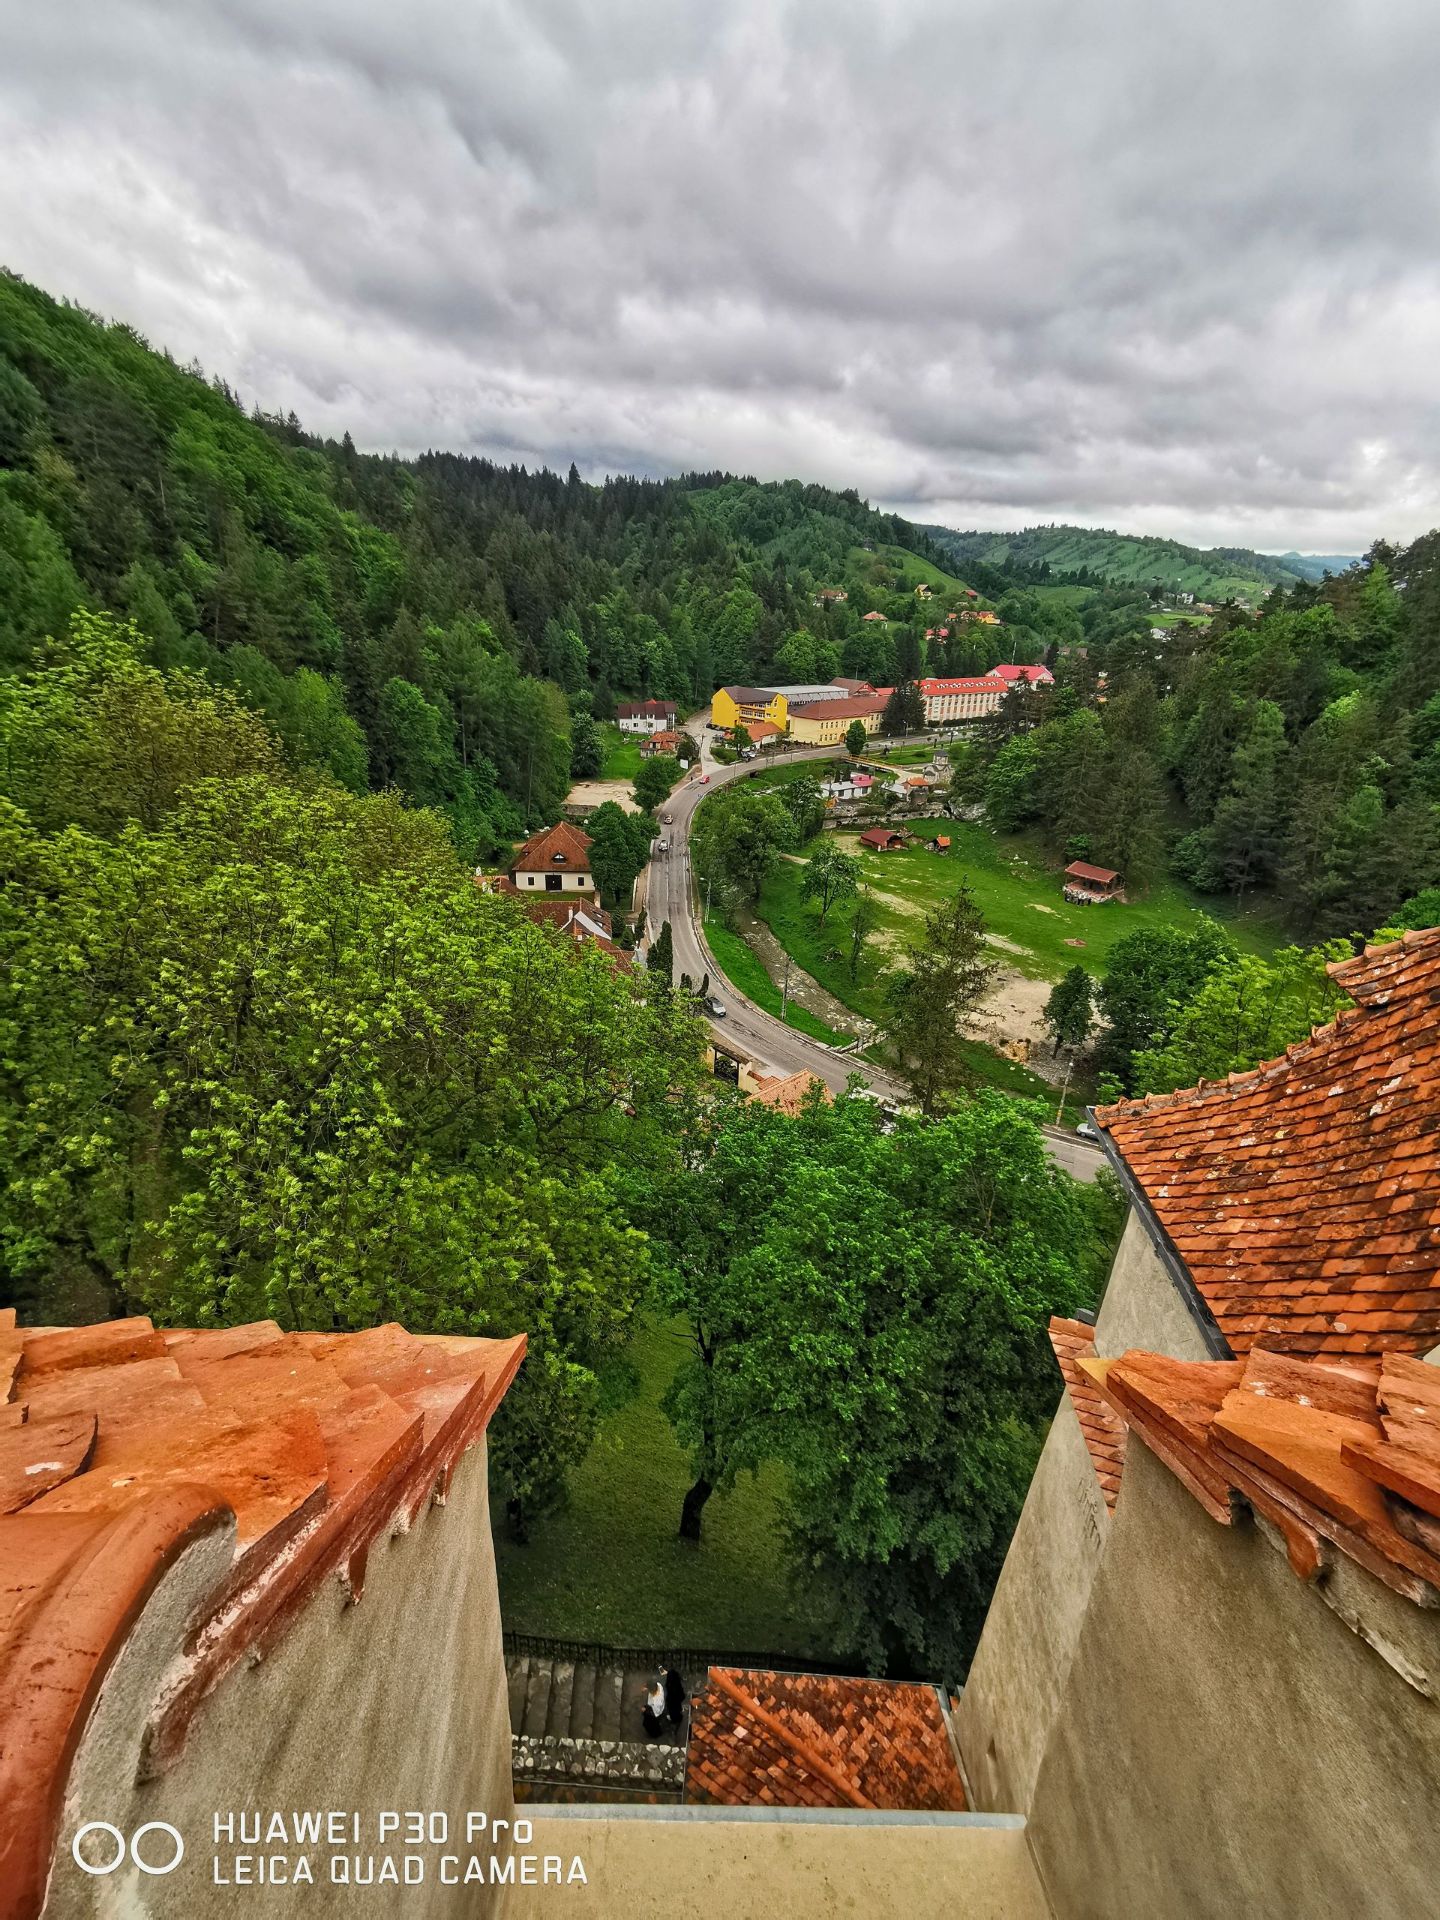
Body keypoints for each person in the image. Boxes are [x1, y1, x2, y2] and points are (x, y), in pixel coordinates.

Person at [642, 1673, 667, 1738]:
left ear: (651, 1691)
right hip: (654, 1707)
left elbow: (655, 1713)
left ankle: (655, 1735)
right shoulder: (658, 1685)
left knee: (651, 1725)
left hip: (655, 1713)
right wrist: (647, 1687)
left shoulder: (656, 1702)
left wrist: (645, 1710)